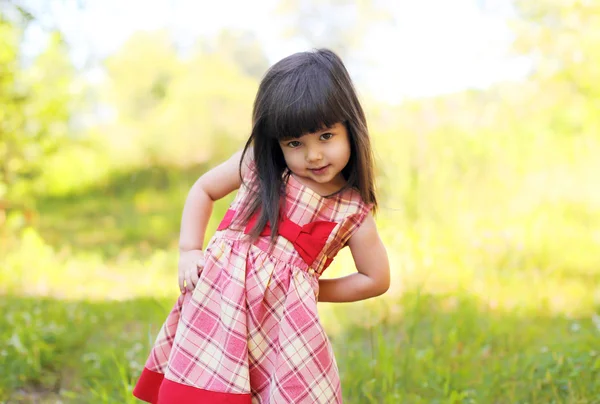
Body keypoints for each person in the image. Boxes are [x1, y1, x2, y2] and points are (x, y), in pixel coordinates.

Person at [133, 48, 390, 404]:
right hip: (219, 310)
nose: (313, 155)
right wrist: (188, 250)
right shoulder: (260, 166)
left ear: (350, 127)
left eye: (326, 136)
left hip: (281, 330)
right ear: (277, 142)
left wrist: (309, 289)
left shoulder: (351, 211)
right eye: (295, 143)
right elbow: (204, 189)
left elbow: (375, 279)